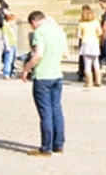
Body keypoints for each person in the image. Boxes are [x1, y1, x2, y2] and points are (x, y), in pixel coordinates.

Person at [21, 10, 67, 157]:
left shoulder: (39, 33)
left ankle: (46, 147)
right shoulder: (59, 31)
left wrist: (26, 68)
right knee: (57, 111)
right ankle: (58, 145)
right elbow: (65, 53)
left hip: (43, 76)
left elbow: (38, 54)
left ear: (34, 22)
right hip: (57, 74)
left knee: (45, 113)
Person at [76, 5, 102, 87]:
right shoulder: (96, 21)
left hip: (86, 42)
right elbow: (100, 32)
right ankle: (98, 81)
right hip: (94, 42)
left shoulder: (81, 23)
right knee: (96, 63)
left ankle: (89, 82)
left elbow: (79, 35)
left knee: (87, 64)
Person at [2, 10, 19, 79]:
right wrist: (7, 46)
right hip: (9, 45)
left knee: (13, 60)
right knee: (8, 60)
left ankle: (11, 72)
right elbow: (5, 36)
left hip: (14, 44)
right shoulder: (5, 27)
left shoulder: (12, 27)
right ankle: (6, 73)